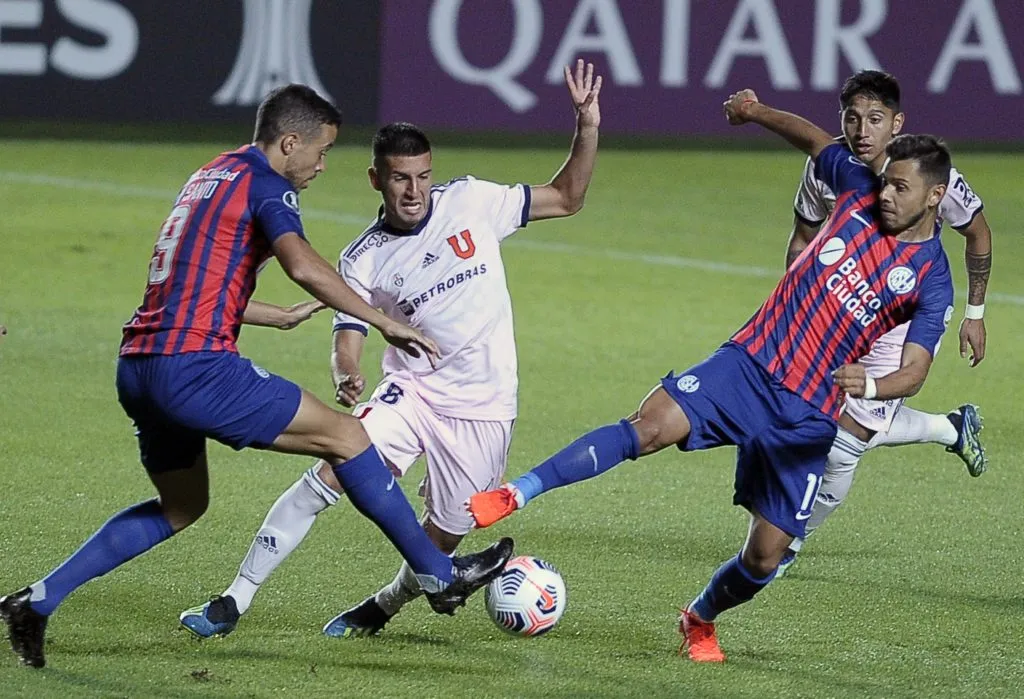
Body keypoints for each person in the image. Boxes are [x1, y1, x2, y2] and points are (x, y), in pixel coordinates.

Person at [0, 84, 512, 670]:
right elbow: (302, 264)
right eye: (321, 151)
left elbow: (190, 283)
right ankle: (438, 573)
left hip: (140, 365)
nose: (322, 165)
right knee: (348, 437)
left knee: (181, 505)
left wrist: (276, 316)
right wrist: (381, 321)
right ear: (290, 142)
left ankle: (37, 600)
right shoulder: (267, 185)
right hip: (194, 367)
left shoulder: (212, 174)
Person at [469, 91, 957, 663]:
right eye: (887, 181)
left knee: (764, 558)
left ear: (935, 195)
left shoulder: (931, 277)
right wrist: (756, 113)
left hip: (808, 413)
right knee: (649, 427)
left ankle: (700, 618)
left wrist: (869, 387)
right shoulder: (856, 188)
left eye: (900, 187)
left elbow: (915, 371)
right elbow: (813, 139)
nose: (886, 194)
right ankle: (516, 493)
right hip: (749, 365)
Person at [179, 60, 603, 640]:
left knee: (444, 536)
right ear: (376, 179)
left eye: (423, 176)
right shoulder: (364, 257)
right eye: (401, 178)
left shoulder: (471, 202)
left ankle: (380, 606)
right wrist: (346, 369)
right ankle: (234, 598)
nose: (414, 191)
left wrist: (586, 125)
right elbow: (348, 328)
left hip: (484, 406)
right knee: (330, 471)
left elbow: (568, 197)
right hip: (412, 392)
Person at [777, 71, 991, 573]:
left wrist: (975, 314)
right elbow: (803, 237)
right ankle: (950, 428)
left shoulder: (930, 175)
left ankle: (790, 542)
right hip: (841, 303)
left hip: (903, 315)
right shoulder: (825, 168)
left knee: (846, 440)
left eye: (875, 119)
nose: (862, 130)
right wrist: (793, 302)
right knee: (811, 412)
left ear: (896, 123)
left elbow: (979, 234)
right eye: (852, 118)